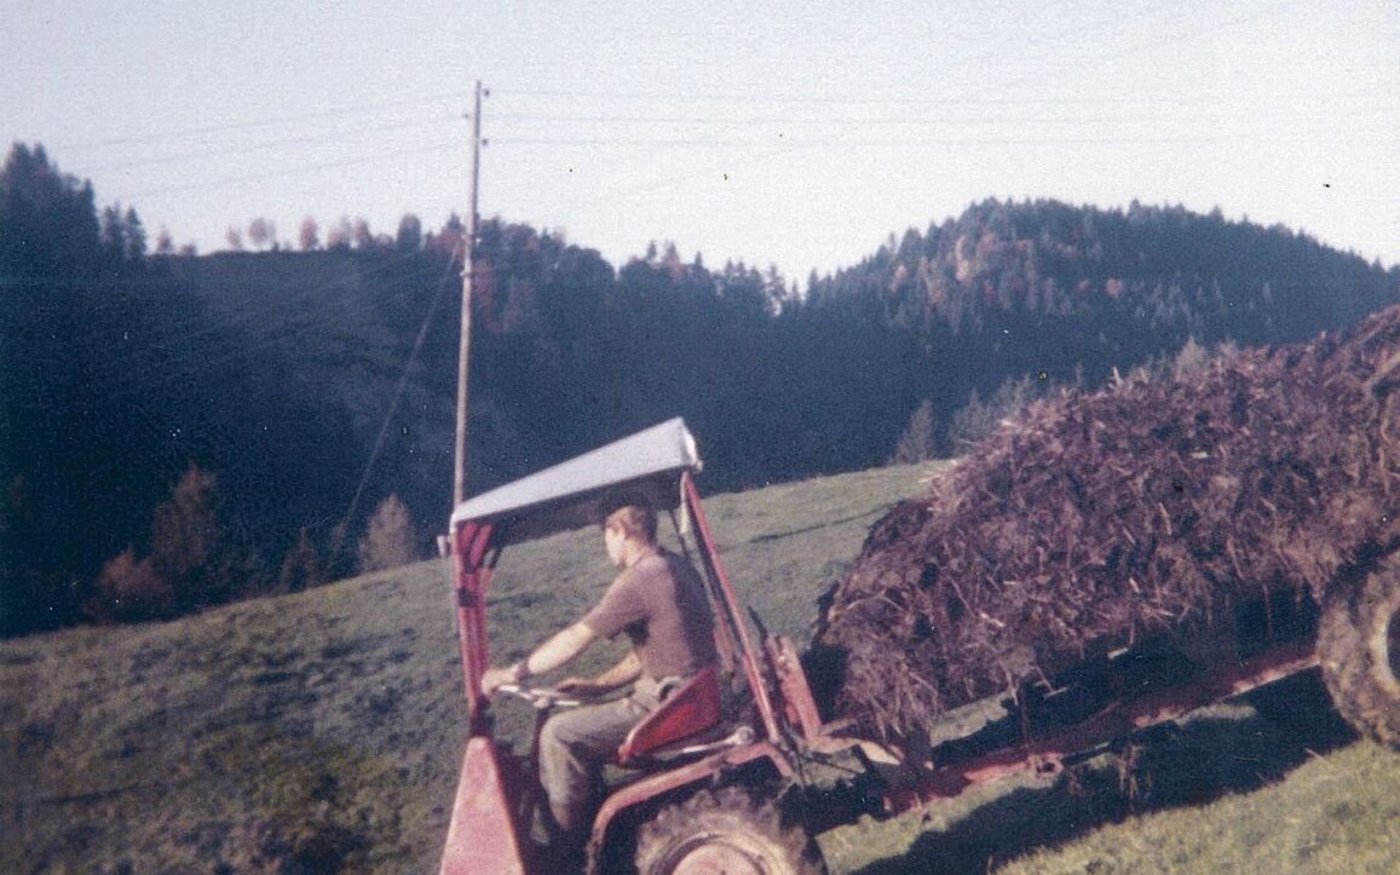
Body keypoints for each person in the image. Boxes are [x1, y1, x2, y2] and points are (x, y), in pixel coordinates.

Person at [481, 500, 718, 855]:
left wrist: (512, 672)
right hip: (688, 692)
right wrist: (598, 685)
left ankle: (568, 852)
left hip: (667, 700)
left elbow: (578, 636)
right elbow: (649, 653)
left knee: (558, 735)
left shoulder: (640, 579)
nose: (605, 544)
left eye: (605, 535)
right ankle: (594, 831)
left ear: (620, 531)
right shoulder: (674, 565)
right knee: (577, 729)